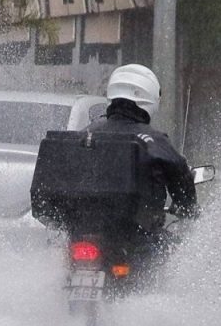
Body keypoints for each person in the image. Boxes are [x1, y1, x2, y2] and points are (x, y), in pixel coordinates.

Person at [82, 64, 198, 235]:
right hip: (139, 236)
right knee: (177, 246)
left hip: (83, 231)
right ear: (150, 96)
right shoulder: (154, 141)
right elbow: (179, 174)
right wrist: (188, 207)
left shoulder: (85, 134)